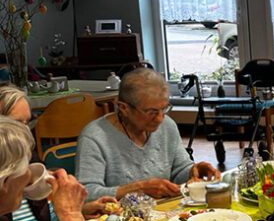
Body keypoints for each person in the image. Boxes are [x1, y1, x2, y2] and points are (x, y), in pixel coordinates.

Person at [77, 68, 219, 200]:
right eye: (151, 112)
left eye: (164, 109)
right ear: (124, 108)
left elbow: (179, 169)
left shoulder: (166, 126)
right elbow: (86, 193)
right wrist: (137, 189)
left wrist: (193, 171)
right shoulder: (95, 137)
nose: (160, 118)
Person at [0, 87, 114, 221]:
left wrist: (78, 211)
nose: (26, 131)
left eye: (27, 122)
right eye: (16, 123)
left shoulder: (29, 163)